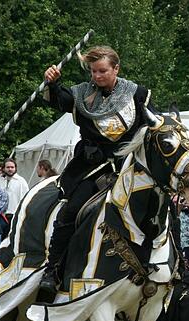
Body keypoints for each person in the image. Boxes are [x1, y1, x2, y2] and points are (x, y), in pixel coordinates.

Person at [38, 45, 157, 292]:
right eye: (93, 71)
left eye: (102, 71)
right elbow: (59, 100)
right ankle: (52, 271)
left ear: (116, 69)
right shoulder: (82, 94)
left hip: (131, 166)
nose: (96, 76)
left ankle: (183, 268)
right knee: (70, 212)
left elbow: (153, 125)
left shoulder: (137, 94)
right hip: (94, 167)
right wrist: (52, 83)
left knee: (161, 205)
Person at [0, 158, 29, 222]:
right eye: (8, 167)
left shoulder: (21, 181)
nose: (10, 169)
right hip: (1, 215)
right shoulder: (0, 180)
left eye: (12, 167)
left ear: (15, 168)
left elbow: (27, 198)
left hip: (15, 214)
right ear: (3, 168)